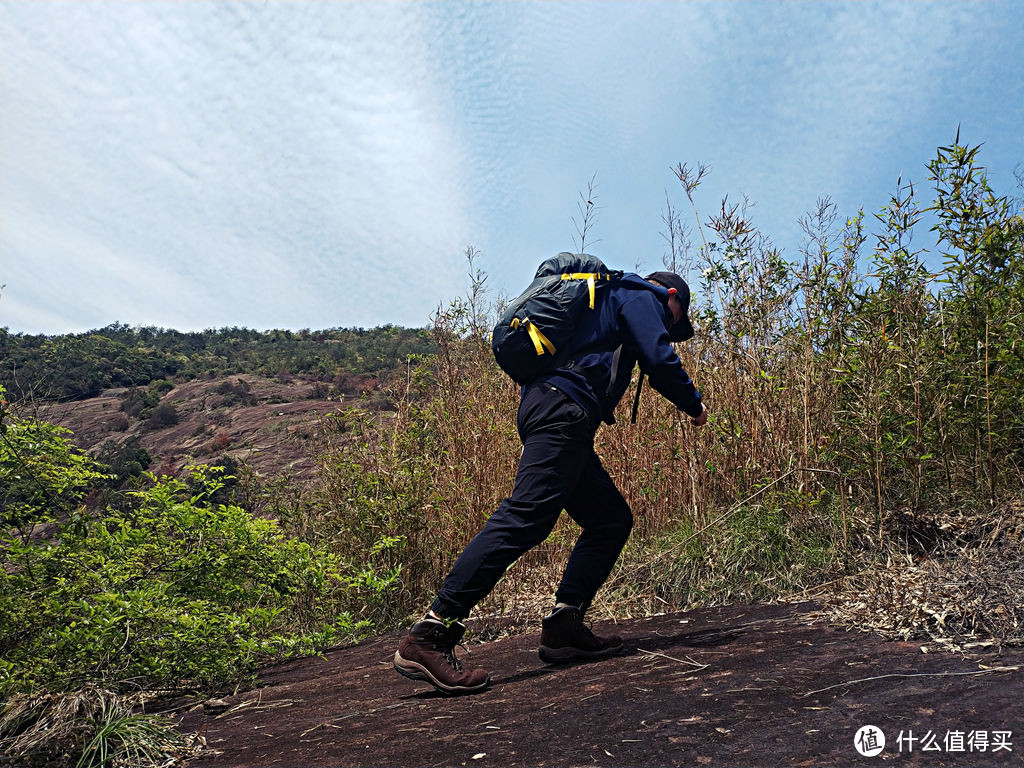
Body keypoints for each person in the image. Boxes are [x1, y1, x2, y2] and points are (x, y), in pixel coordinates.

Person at [393, 269, 708, 695]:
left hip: (557, 409)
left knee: (610, 519)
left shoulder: (611, 300)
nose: (671, 327)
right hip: (563, 409)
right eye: (675, 318)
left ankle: (564, 626)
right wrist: (693, 404)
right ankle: (432, 633)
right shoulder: (641, 293)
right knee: (526, 516)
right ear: (671, 295)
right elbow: (659, 358)